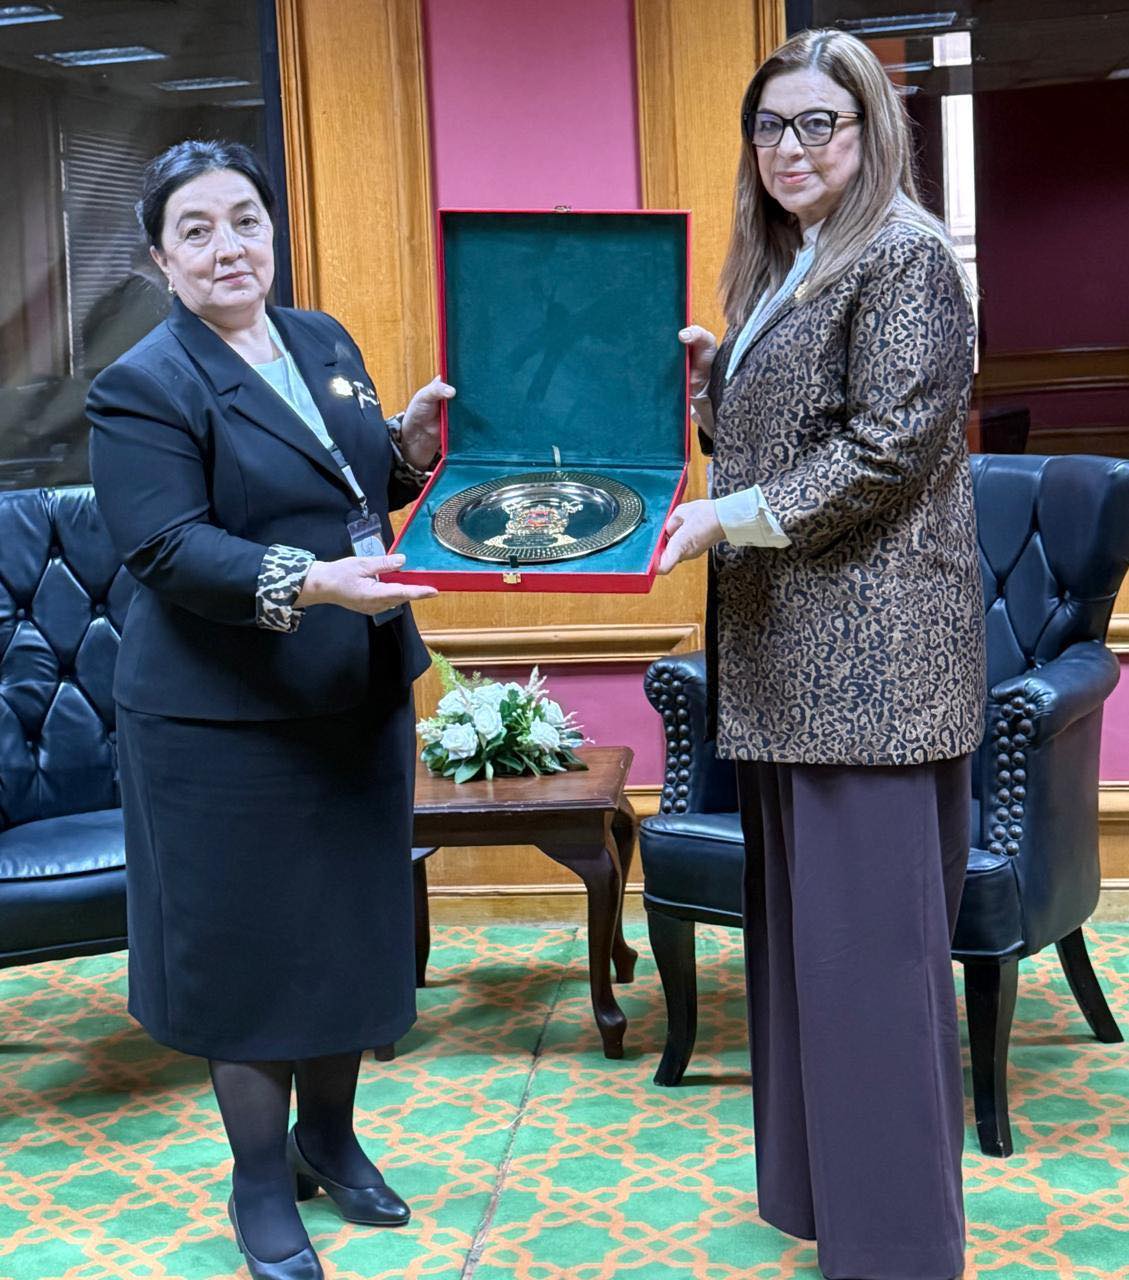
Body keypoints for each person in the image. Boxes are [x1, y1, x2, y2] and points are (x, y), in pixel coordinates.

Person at [87, 139, 449, 1280]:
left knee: (346, 938)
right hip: (220, 720)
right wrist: (314, 584)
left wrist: (409, 454)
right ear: (160, 258)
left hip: (352, 692)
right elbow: (165, 544)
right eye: (195, 230)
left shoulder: (322, 338)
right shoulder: (143, 383)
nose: (228, 247)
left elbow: (346, 484)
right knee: (249, 958)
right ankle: (257, 1177)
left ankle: (329, 1140)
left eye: (244, 219)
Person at [659, 29, 984, 1280]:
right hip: (790, 665)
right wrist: (715, 388)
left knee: (872, 981)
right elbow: (790, 434)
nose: (789, 148)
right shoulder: (790, 261)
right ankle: (837, 1215)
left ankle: (897, 1250)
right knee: (815, 971)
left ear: (868, 131)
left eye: (817, 124)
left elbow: (886, 448)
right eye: (769, 125)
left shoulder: (902, 255)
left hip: (872, 677)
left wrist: (722, 518)